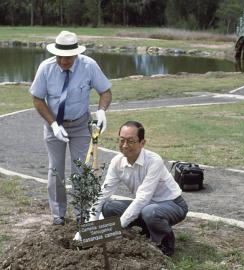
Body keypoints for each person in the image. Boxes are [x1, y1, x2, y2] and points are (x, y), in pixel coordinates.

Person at [30, 30, 112, 226]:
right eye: (59, 57)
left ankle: (82, 214)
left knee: (81, 171)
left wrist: (101, 111)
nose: (63, 61)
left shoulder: (89, 66)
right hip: (54, 126)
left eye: (67, 58)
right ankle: (58, 215)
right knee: (56, 170)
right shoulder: (46, 68)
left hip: (81, 125)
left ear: (76, 54)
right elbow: (38, 98)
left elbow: (105, 91)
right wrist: (53, 123)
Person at [90, 121, 188, 256]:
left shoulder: (154, 161)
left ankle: (166, 242)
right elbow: (104, 192)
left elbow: (143, 198)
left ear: (142, 143)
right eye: (121, 140)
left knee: (150, 212)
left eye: (130, 141)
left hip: (172, 204)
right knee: (109, 207)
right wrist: (91, 225)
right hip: (146, 206)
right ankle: (146, 233)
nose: (125, 145)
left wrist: (119, 226)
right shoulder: (117, 162)